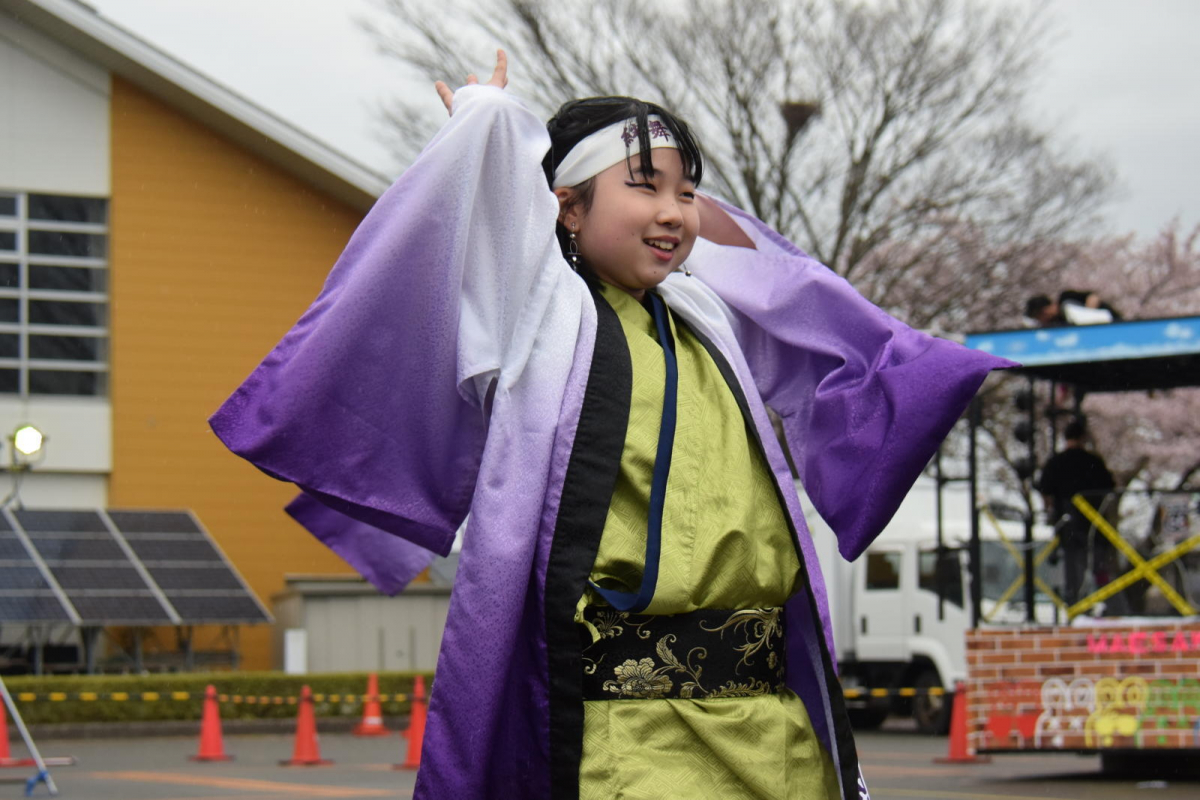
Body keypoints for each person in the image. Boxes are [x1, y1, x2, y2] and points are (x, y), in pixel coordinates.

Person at [209, 52, 1012, 800]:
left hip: (775, 732)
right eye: (645, 186)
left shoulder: (707, 309)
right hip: (627, 737)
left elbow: (807, 304)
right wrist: (484, 127)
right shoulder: (539, 314)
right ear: (562, 206)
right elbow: (485, 223)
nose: (674, 213)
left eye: (686, 192)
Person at [1036, 419, 1117, 606]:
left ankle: (1075, 606)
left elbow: (1045, 490)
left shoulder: (1055, 462)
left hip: (1068, 525)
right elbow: (1109, 489)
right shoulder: (1093, 462)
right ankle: (1107, 604)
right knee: (1100, 567)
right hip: (1095, 524)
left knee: (1073, 569)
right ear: (1083, 437)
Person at [1024, 290, 1122, 327]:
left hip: (1111, 321)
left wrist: (1087, 314)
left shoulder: (1066, 299)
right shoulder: (1056, 323)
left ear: (1044, 311)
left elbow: (1093, 297)